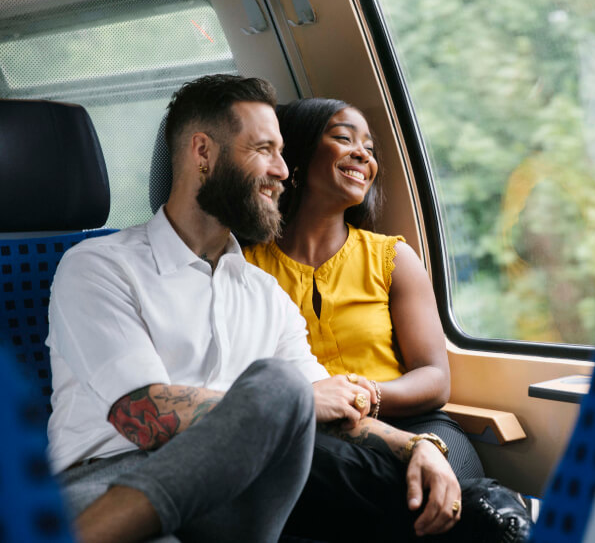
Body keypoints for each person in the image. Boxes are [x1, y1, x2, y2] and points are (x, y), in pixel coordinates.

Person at [47, 75, 464, 543]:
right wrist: (297, 400)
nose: (283, 171)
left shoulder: (266, 293)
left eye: (282, 153)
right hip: (108, 477)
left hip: (240, 488)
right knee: (279, 385)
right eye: (263, 150)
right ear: (202, 152)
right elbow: (142, 416)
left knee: (439, 510)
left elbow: (331, 404)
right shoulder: (98, 267)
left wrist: (416, 446)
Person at [244, 98, 531, 541]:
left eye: (370, 148)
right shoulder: (245, 265)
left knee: (448, 498)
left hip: (415, 423)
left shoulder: (392, 257)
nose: (363, 154)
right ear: (295, 156)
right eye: (343, 138)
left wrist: (365, 394)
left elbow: (435, 378)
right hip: (310, 432)